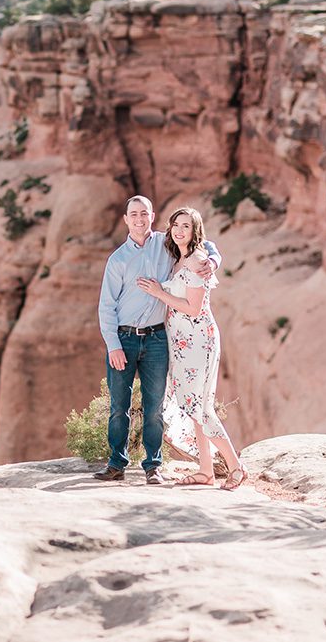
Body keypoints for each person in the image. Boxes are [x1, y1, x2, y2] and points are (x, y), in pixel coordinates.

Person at [95, 196, 220, 485]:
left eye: (144, 214)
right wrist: (112, 344)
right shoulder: (117, 259)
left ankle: (153, 466)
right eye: (133, 215)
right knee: (118, 406)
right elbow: (106, 306)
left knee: (155, 407)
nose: (139, 219)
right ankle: (116, 464)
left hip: (156, 339)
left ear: (152, 217)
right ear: (126, 219)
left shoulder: (166, 244)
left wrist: (212, 260)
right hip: (124, 339)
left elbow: (206, 245)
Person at [136, 206, 248, 490]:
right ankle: (206, 470)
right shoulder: (179, 257)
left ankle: (235, 467)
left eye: (186, 226)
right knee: (193, 405)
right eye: (176, 225)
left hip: (198, 340)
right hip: (182, 342)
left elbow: (195, 308)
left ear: (194, 230)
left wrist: (159, 293)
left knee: (200, 407)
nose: (179, 230)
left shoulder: (197, 260)